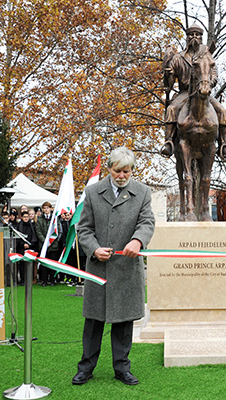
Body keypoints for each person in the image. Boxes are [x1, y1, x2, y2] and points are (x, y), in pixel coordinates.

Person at [72, 147, 155, 387]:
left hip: (126, 269)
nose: (122, 175)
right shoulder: (93, 191)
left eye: (126, 171)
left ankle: (122, 368)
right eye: (117, 170)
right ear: (109, 169)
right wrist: (94, 248)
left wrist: (138, 240)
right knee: (93, 321)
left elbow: (147, 221)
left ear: (132, 171)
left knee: (124, 322)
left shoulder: (142, 192)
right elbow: (83, 228)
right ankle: (85, 368)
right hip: (98, 269)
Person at [161, 24, 226, 160]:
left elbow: (214, 75)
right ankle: (169, 141)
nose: (194, 37)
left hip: (203, 91)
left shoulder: (207, 56)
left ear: (201, 37)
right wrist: (169, 75)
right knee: (171, 109)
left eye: (197, 34)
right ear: (186, 38)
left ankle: (224, 144)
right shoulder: (178, 58)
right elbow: (169, 84)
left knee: (222, 111)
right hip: (184, 93)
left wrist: (207, 84)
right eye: (191, 34)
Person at [35, 201, 61, 286]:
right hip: (43, 245)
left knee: (52, 263)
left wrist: (51, 241)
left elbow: (58, 231)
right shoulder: (39, 219)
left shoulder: (55, 218)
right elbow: (38, 231)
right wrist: (45, 241)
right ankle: (44, 280)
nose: (46, 210)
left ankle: (52, 280)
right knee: (44, 264)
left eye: (47, 208)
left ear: (50, 208)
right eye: (44, 208)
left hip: (53, 246)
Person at [15, 210, 38, 284]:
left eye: (27, 217)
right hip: (21, 247)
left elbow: (34, 236)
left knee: (30, 263)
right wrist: (23, 244)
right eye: (24, 217)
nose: (26, 218)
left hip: (31, 247)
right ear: (21, 217)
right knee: (22, 265)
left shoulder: (32, 225)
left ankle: (30, 279)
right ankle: (22, 279)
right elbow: (17, 237)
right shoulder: (19, 226)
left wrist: (30, 244)